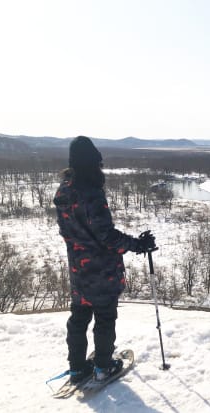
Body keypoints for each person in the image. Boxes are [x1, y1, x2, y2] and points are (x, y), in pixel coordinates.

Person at [53, 136, 155, 383]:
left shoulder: (64, 190)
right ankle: (103, 366)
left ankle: (77, 368)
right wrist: (137, 245)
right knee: (105, 318)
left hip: (78, 269)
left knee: (78, 318)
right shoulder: (91, 193)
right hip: (100, 270)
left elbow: (72, 230)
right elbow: (107, 236)